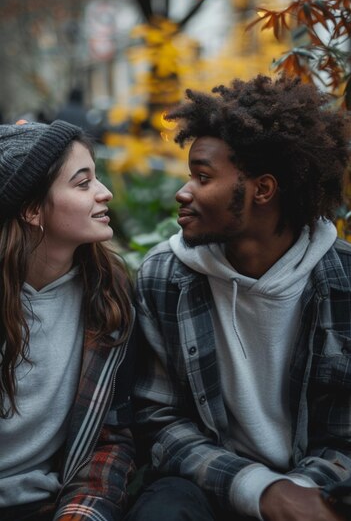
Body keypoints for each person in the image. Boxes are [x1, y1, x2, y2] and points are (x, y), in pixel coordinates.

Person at [126, 74, 351, 521]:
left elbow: (345, 433)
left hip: (319, 488)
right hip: (206, 483)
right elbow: (158, 420)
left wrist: (300, 492)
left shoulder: (343, 280)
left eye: (202, 177)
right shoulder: (165, 275)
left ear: (262, 190)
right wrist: (258, 489)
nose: (183, 191)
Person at [0, 119, 136, 521]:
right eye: (83, 183)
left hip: (52, 506)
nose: (105, 192)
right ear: (31, 209)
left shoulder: (109, 296)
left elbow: (110, 438)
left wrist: (80, 515)